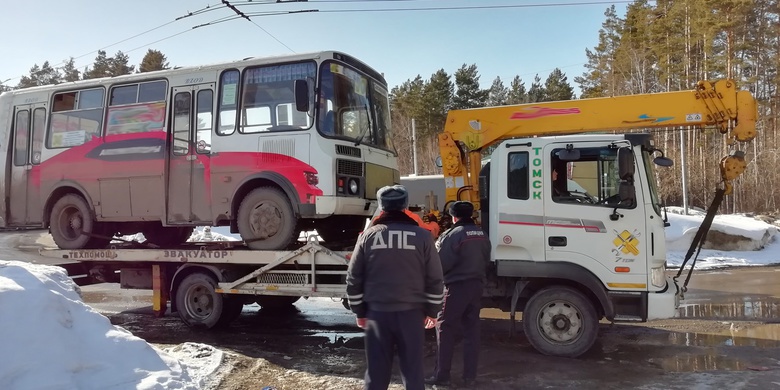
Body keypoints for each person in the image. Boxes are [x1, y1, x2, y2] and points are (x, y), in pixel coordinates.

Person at [346, 185, 444, 390]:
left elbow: (354, 277)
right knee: (413, 373)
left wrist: (359, 311)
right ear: (405, 207)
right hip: (411, 316)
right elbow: (435, 278)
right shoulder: (423, 237)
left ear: (382, 209)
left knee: (376, 374)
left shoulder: (368, 237)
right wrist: (432, 311)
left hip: (377, 315)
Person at [427, 201, 491, 387]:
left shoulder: (453, 235)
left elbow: (440, 265)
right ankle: (469, 377)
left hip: (455, 289)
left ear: (454, 217)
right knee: (472, 332)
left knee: (445, 330)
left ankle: (442, 376)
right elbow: (486, 258)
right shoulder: (482, 234)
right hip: (476, 286)